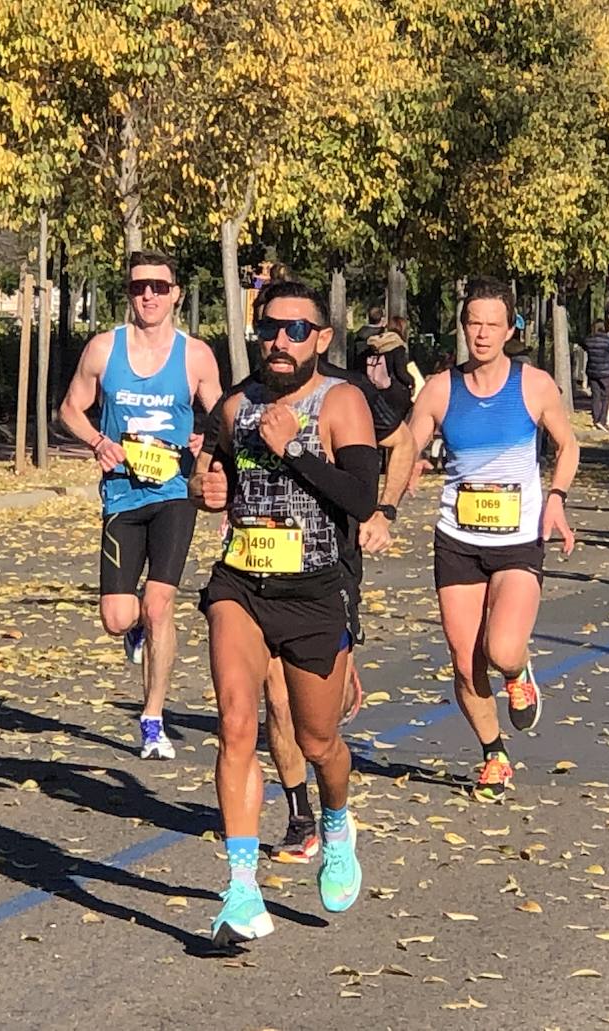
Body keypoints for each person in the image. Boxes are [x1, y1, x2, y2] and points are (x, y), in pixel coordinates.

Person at [201, 280, 417, 865]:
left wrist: (295, 449)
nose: (280, 340)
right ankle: (241, 888)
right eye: (270, 327)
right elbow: (212, 475)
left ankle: (337, 822)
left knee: (318, 739)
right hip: (240, 582)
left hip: (317, 588)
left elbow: (358, 497)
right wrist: (206, 488)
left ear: (320, 339)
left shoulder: (341, 401)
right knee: (238, 722)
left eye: (296, 330)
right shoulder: (236, 404)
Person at [406, 276, 579, 803]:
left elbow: (567, 446)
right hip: (457, 539)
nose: (481, 334)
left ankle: (518, 669)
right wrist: (401, 471)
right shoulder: (441, 388)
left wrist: (557, 498)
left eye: (492, 325)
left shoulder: (533, 385)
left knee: (501, 649)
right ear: (463, 328)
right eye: (473, 324)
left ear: (509, 330)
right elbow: (406, 445)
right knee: (464, 662)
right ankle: (493, 755)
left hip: (518, 538)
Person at [59, 250, 223, 760]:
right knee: (117, 616)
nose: (147, 295)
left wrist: (204, 444)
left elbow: (222, 416)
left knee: (160, 605)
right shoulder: (104, 350)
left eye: (157, 285)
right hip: (122, 496)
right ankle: (132, 631)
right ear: (128, 295)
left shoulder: (195, 355)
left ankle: (152, 717)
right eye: (137, 287)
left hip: (174, 492)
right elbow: (70, 408)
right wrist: (97, 442)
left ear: (175, 293)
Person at [358, 314, 417, 425]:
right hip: (396, 391)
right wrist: (412, 381)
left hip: (377, 389)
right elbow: (400, 372)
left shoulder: (377, 344)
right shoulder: (397, 346)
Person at [581, 319, 609, 431]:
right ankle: (602, 420)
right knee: (606, 396)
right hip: (605, 372)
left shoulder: (589, 340)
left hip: (593, 372)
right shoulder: (607, 341)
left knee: (596, 396)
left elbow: (583, 344)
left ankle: (595, 419)